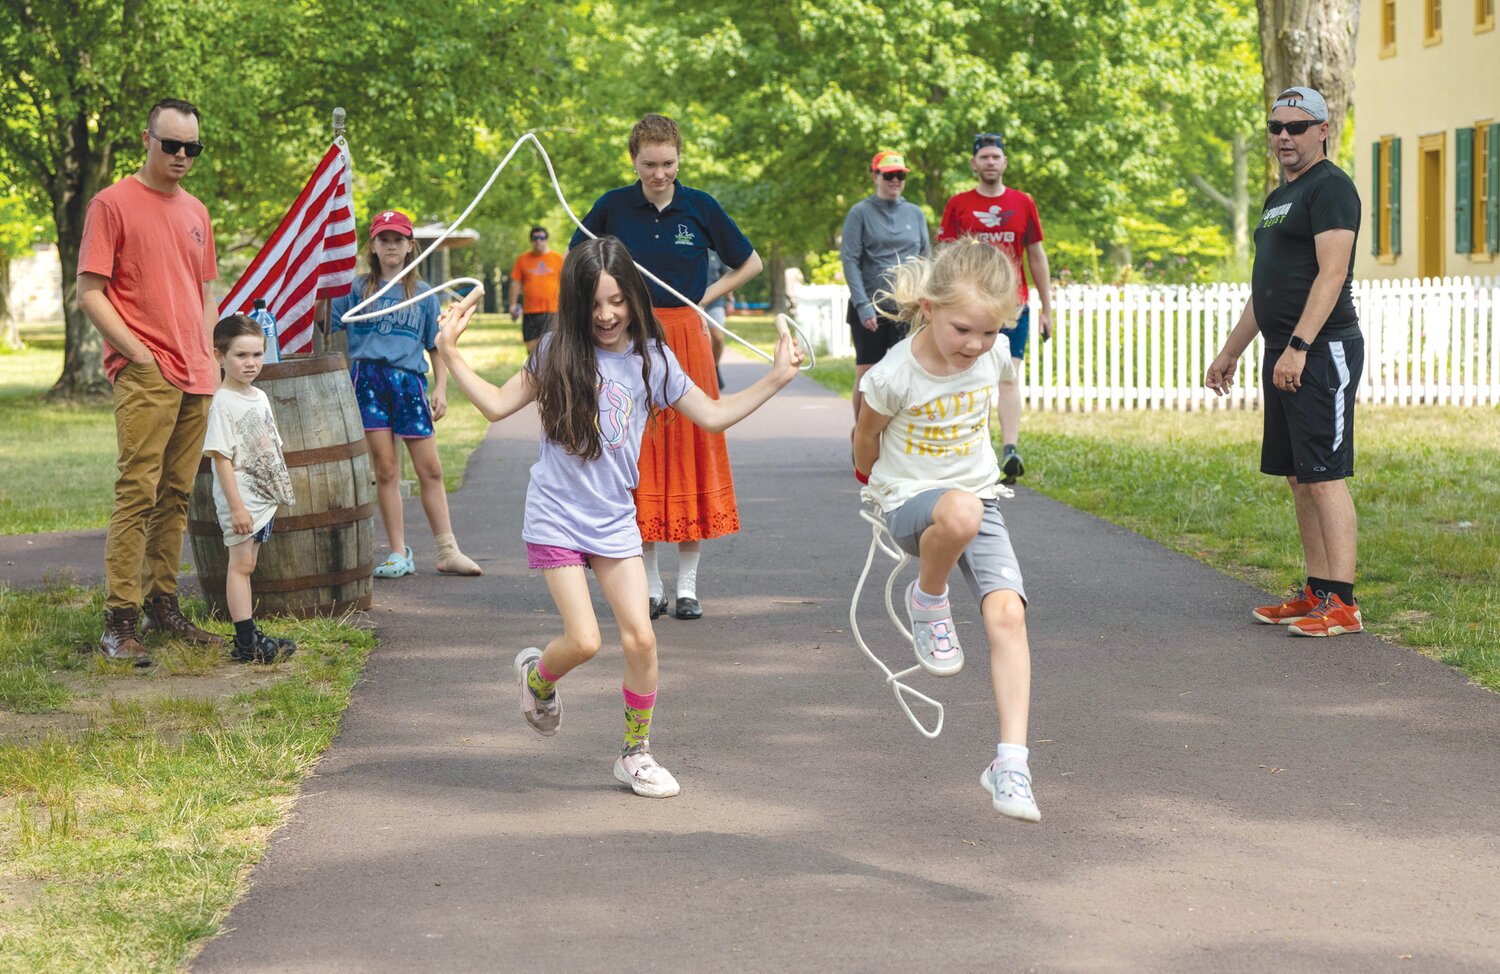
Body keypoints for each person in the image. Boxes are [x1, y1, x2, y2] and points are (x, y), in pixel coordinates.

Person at [436, 236, 802, 797]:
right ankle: (537, 676)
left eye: (617, 301)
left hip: (613, 519)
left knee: (642, 641)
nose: (606, 315)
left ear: (633, 297)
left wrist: (776, 377)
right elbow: (494, 405)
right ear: (576, 304)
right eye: (593, 304)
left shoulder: (652, 359)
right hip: (556, 512)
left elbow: (712, 415)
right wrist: (451, 353)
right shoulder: (556, 350)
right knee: (583, 642)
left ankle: (635, 754)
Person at [852, 240, 1040, 823]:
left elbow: (1005, 382)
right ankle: (927, 597)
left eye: (988, 332)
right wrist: (870, 485)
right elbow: (865, 438)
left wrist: (1009, 441)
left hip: (978, 497)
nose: (976, 345)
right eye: (964, 330)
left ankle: (1010, 763)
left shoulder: (995, 353)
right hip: (911, 503)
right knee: (959, 511)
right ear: (929, 309)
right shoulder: (893, 373)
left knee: (1008, 613)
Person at [571, 113, 763, 621]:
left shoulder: (699, 206)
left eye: (668, 164)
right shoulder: (613, 206)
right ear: (634, 161)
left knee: (693, 447)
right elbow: (579, 260)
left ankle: (689, 587)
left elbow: (751, 262)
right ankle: (651, 584)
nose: (660, 174)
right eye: (650, 164)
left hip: (686, 337)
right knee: (640, 451)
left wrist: (705, 298)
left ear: (680, 158)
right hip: (632, 338)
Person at [1205, 86, 1364, 638]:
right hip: (1284, 350)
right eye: (1276, 128)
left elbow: (1332, 273)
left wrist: (1298, 346)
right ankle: (1317, 591)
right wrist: (1231, 351)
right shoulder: (1279, 199)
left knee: (1325, 474)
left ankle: (1342, 603)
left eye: (1297, 127)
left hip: (1321, 349)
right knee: (1299, 476)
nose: (1284, 137)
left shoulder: (1332, 188)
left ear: (1323, 130)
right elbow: (1265, 286)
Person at [77, 97, 227, 666]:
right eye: (172, 145)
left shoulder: (197, 212)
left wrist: (210, 357)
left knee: (178, 495)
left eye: (193, 148)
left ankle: (164, 607)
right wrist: (138, 354)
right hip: (147, 371)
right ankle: (120, 621)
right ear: (147, 139)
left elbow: (204, 292)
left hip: (195, 372)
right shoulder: (111, 203)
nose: (183, 156)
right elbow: (90, 290)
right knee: (137, 491)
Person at [329, 208, 481, 579]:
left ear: (411, 245)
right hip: (368, 381)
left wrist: (441, 388)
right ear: (373, 245)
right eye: (384, 239)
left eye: (399, 239)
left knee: (430, 468)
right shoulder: (355, 290)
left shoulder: (423, 294)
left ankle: (447, 549)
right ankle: (398, 552)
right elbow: (328, 324)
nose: (391, 245)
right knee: (385, 469)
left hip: (409, 383)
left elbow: (436, 345)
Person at [938, 133, 1053, 485]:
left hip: (1013, 305)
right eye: (984, 157)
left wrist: (1047, 307)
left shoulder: (1022, 203)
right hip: (970, 307)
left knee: (1008, 375)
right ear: (974, 164)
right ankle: (977, 450)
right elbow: (945, 256)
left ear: (1004, 163)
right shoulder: (959, 204)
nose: (990, 162)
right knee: (970, 377)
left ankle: (1010, 449)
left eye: (995, 157)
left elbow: (1036, 255)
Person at [203, 315, 298, 664]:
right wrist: (237, 507)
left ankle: (250, 634)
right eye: (241, 355)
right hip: (240, 500)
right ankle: (245, 643)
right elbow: (221, 458)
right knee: (240, 566)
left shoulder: (258, 396)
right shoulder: (223, 403)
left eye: (257, 354)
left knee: (249, 564)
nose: (251, 363)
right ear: (219, 356)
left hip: (261, 497)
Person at [840, 149, 931, 426]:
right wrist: (863, 305)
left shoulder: (914, 213)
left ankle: (898, 434)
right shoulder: (860, 213)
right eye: (889, 175)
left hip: (908, 306)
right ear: (875, 176)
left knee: (907, 371)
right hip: (871, 305)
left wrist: (928, 302)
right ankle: (863, 436)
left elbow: (926, 258)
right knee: (869, 371)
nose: (895, 181)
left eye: (900, 176)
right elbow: (850, 260)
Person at [508, 225, 563, 355]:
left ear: (546, 239)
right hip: (530, 311)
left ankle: (551, 375)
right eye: (535, 238)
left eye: (542, 238)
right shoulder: (523, 259)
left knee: (553, 350)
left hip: (553, 311)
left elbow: (567, 282)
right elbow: (515, 283)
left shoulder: (558, 258)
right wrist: (512, 305)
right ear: (531, 240)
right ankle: (535, 374)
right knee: (531, 350)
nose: (539, 241)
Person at [704, 250, 731, 389]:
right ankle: (703, 373)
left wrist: (730, 300)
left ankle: (715, 367)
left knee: (718, 337)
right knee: (702, 340)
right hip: (693, 302)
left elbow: (727, 276)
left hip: (715, 302)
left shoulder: (716, 252)